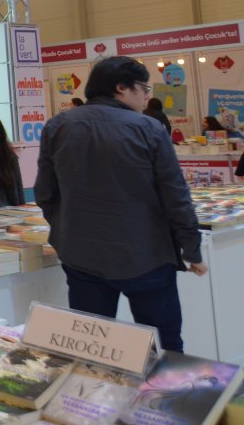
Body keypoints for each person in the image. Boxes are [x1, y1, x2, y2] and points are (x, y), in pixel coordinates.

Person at [36, 56, 205, 352]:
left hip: (81, 256)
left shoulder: (57, 126)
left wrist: (67, 230)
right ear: (121, 88)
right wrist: (192, 249)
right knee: (163, 347)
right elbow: (176, 197)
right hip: (146, 255)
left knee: (91, 347)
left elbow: (45, 193)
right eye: (144, 88)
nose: (147, 96)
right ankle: (163, 383)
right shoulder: (149, 129)